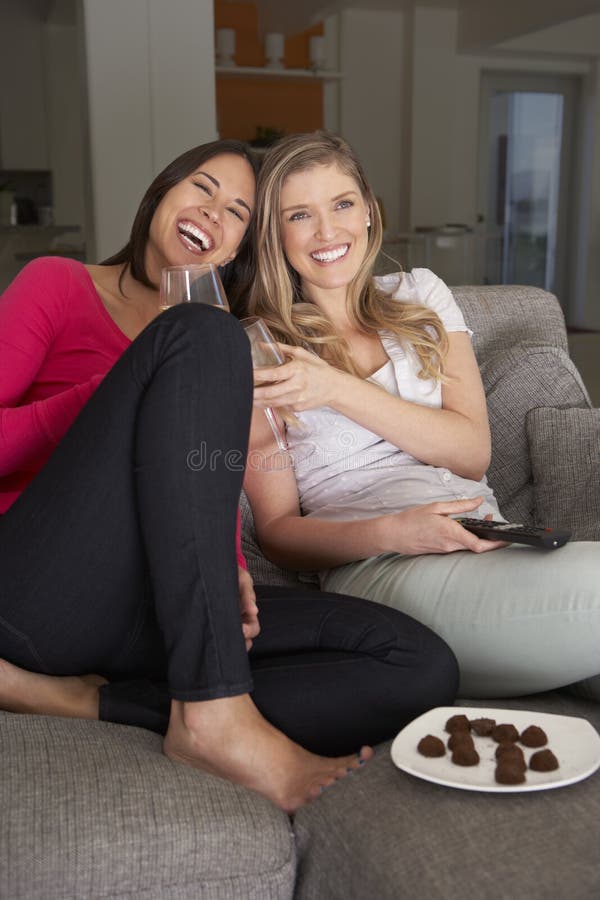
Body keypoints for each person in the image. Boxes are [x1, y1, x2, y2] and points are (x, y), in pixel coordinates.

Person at [0, 139, 460, 814]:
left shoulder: (221, 341)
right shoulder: (59, 284)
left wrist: (220, 564)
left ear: (241, 247)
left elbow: (198, 474)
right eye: (202, 188)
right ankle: (215, 714)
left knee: (416, 664)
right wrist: (112, 390)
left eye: (238, 211)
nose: (214, 213)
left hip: (153, 607)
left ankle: (83, 698)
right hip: (38, 586)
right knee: (202, 333)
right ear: (161, 193)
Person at [242, 129, 600, 702]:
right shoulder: (259, 350)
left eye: (341, 204)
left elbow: (469, 452)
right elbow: (280, 534)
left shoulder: (420, 294)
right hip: (384, 571)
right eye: (299, 216)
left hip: (493, 543)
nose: (327, 232)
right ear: (273, 234)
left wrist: (335, 388)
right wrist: (397, 533)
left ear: (368, 211)